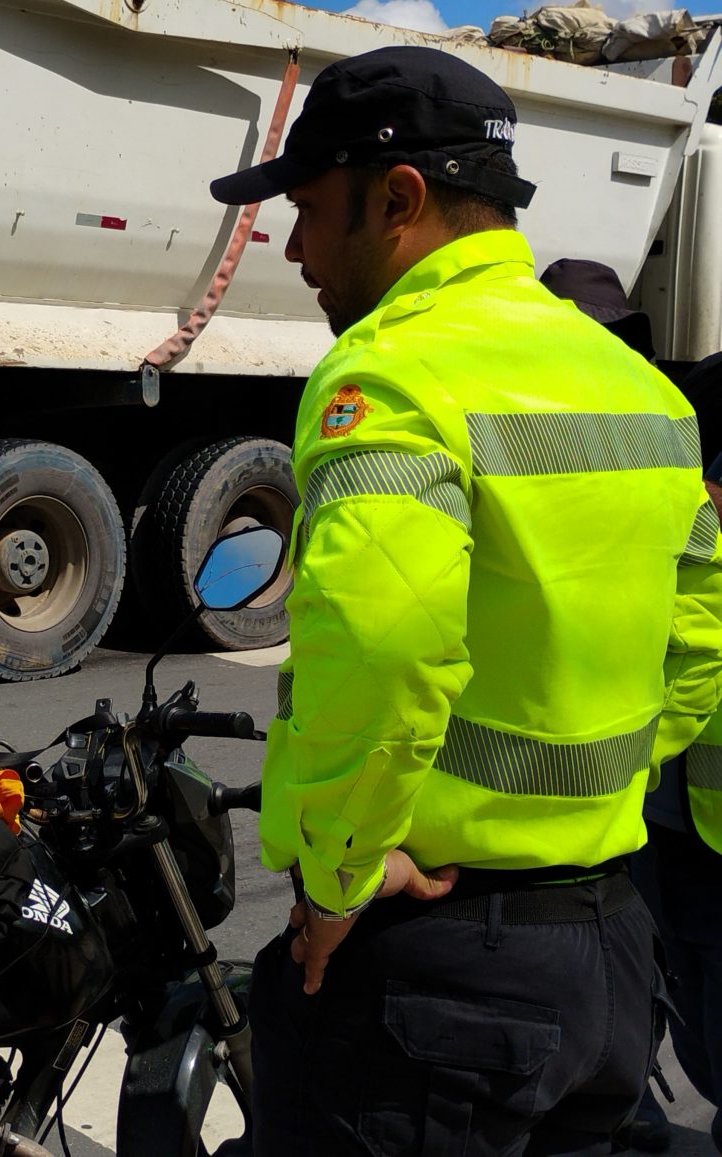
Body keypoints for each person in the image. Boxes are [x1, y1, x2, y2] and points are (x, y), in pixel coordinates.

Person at [209, 45, 722, 1154]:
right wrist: (587, 800)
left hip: (436, 976)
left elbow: (383, 640)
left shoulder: (394, 374)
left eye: (304, 209)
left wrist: (343, 870)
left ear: (397, 198)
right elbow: (695, 644)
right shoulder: (643, 390)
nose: (292, 247)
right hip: (611, 954)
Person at [541, 256, 722, 1152]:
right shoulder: (674, 427)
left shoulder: (663, 425)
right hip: (651, 803)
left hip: (656, 794)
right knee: (661, 1009)